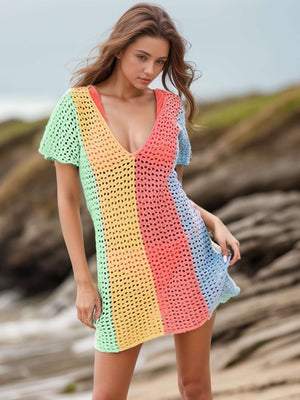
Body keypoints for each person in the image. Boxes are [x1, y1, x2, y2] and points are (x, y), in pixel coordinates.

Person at [38, 3, 241, 399]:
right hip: (123, 269)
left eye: (159, 61)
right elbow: (66, 199)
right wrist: (83, 280)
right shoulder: (76, 108)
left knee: (195, 387)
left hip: (187, 254)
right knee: (108, 395)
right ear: (119, 50)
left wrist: (215, 223)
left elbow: (169, 191)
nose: (149, 70)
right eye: (141, 57)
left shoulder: (170, 108)